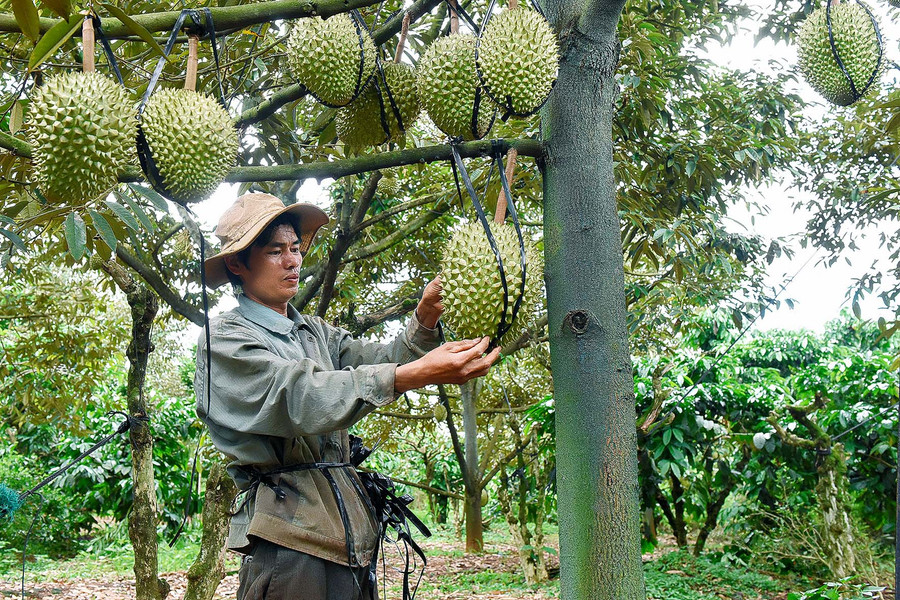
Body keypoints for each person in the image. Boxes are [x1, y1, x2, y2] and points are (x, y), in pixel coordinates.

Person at [195, 192, 500, 600]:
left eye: (295, 248)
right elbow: (300, 397)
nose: (293, 261)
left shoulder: (315, 333)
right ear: (237, 264)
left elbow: (384, 360)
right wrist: (410, 377)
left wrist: (426, 316)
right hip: (289, 544)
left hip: (349, 539)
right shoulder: (225, 339)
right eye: (275, 252)